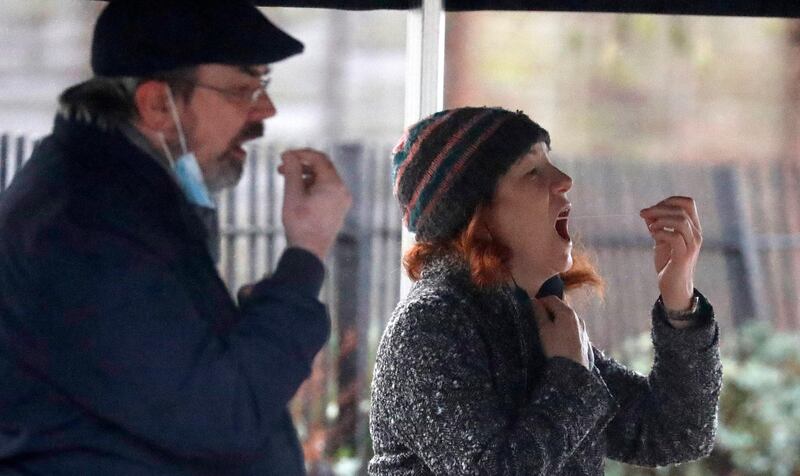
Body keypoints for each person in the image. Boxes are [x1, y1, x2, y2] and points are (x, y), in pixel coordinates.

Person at [0, 0, 351, 474]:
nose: (265, 111)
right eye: (244, 89)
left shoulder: (120, 199)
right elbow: (219, 414)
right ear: (158, 104)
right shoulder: (88, 224)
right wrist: (305, 255)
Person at [369, 107, 721, 475]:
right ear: (477, 216)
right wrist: (569, 375)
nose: (565, 179)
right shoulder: (430, 327)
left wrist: (679, 299)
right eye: (532, 170)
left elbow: (676, 431)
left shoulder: (530, 316)